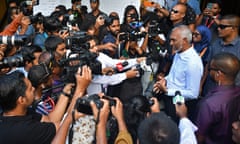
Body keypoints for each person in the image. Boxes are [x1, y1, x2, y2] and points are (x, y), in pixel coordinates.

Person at [153, 25, 203, 122]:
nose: (171, 43)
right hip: (169, 99)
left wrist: (167, 91)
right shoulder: (178, 53)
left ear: (184, 40)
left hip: (180, 105)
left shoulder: (193, 63)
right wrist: (164, 80)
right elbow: (173, 75)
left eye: (173, 40)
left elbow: (193, 94)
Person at [195, 52, 240, 144]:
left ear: (218, 74)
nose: (208, 71)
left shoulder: (209, 104)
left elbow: (200, 137)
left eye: (210, 69)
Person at [0, 71, 56, 144]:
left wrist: (65, 92)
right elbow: (58, 128)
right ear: (21, 100)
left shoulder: (23, 112)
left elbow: (49, 119)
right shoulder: (25, 130)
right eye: (30, 89)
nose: (33, 89)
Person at [202, 14, 240, 96]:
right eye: (218, 26)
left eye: (222, 27)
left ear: (233, 28)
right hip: (209, 90)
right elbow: (207, 66)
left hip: (229, 95)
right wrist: (201, 85)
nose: (218, 29)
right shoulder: (215, 43)